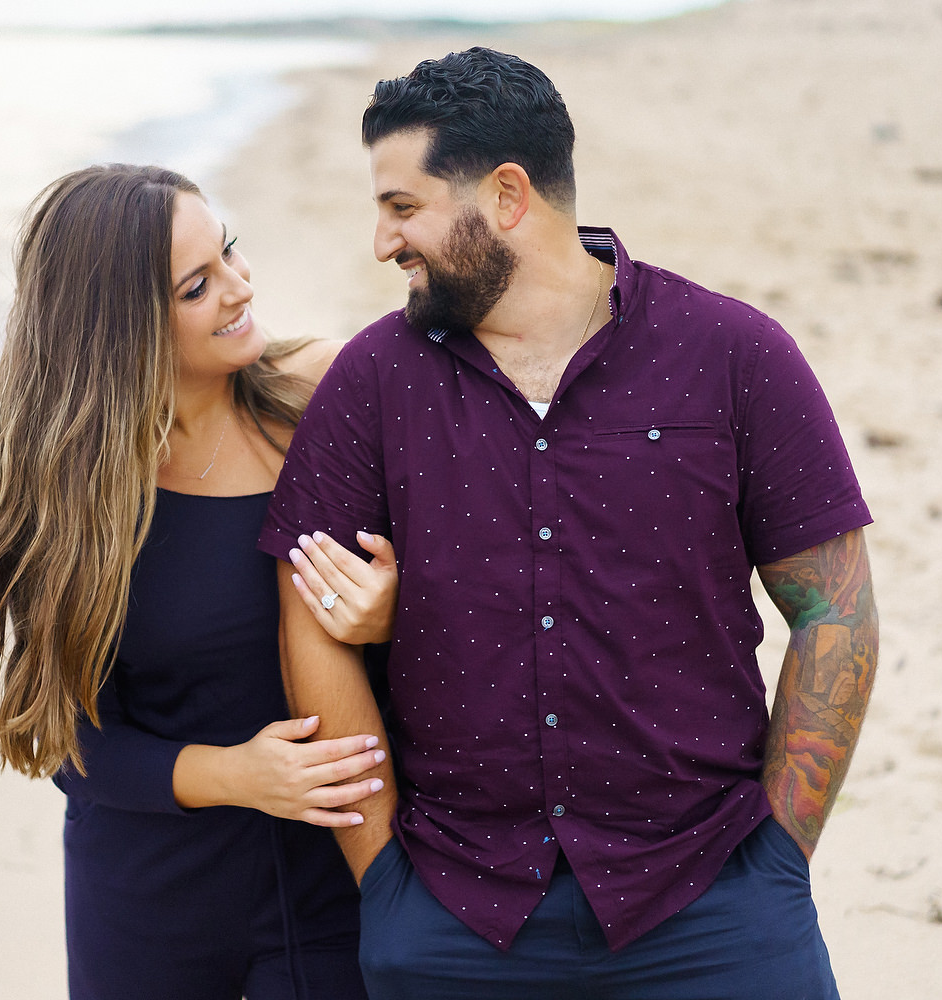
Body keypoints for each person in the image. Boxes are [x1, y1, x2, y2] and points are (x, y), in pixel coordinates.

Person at [258, 48, 879, 999]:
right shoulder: (375, 382)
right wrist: (381, 879)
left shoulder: (735, 355)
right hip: (453, 918)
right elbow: (306, 606)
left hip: (713, 902)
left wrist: (782, 856)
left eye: (403, 206)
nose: (384, 242)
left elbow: (835, 611)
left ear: (508, 195)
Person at [0, 163, 400, 1000]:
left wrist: (390, 611)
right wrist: (241, 775)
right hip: (154, 907)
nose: (238, 288)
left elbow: (486, 585)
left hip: (336, 882)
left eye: (228, 253)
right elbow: (65, 740)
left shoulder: (324, 395)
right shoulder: (64, 493)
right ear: (124, 329)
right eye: (197, 287)